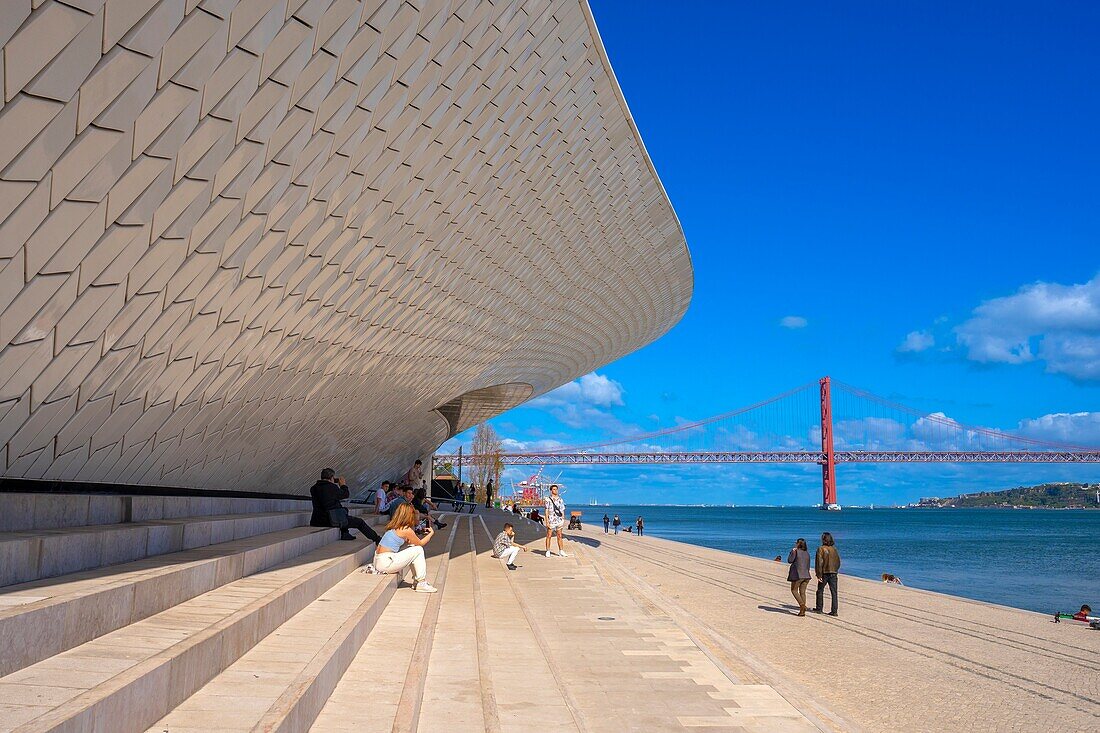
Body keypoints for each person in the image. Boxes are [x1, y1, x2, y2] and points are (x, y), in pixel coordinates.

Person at [369, 504, 438, 592]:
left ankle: (417, 581)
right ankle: (421, 582)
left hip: (378, 561)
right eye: (413, 514)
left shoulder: (394, 526)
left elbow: (409, 542)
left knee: (413, 548)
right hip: (386, 563)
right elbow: (420, 543)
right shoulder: (406, 530)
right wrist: (431, 533)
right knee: (418, 550)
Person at [309, 469, 381, 544]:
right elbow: (345, 494)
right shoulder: (332, 487)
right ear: (332, 477)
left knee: (343, 511)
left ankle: (345, 533)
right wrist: (343, 485)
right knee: (359, 522)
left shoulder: (313, 488)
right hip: (330, 520)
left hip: (316, 520)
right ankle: (377, 539)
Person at [813, 532, 841, 616]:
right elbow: (838, 562)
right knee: (834, 592)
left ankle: (819, 608)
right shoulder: (834, 549)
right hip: (833, 572)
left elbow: (819, 562)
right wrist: (835, 570)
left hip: (825, 572)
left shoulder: (821, 549)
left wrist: (818, 574)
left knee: (820, 590)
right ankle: (834, 610)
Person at [787, 538, 812, 616]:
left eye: (796, 542)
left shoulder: (796, 551)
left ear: (798, 544)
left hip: (798, 575)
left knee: (794, 590)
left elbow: (790, 560)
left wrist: (792, 551)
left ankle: (802, 606)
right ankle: (802, 611)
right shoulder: (807, 553)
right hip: (806, 575)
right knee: (802, 592)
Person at [543, 484, 569, 557]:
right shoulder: (547, 499)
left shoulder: (560, 499)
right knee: (549, 535)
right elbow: (546, 511)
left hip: (559, 520)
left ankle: (561, 550)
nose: (556, 491)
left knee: (560, 536)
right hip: (551, 519)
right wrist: (547, 521)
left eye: (556, 489)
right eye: (554, 489)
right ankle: (548, 551)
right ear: (551, 491)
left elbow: (562, 510)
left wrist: (563, 519)